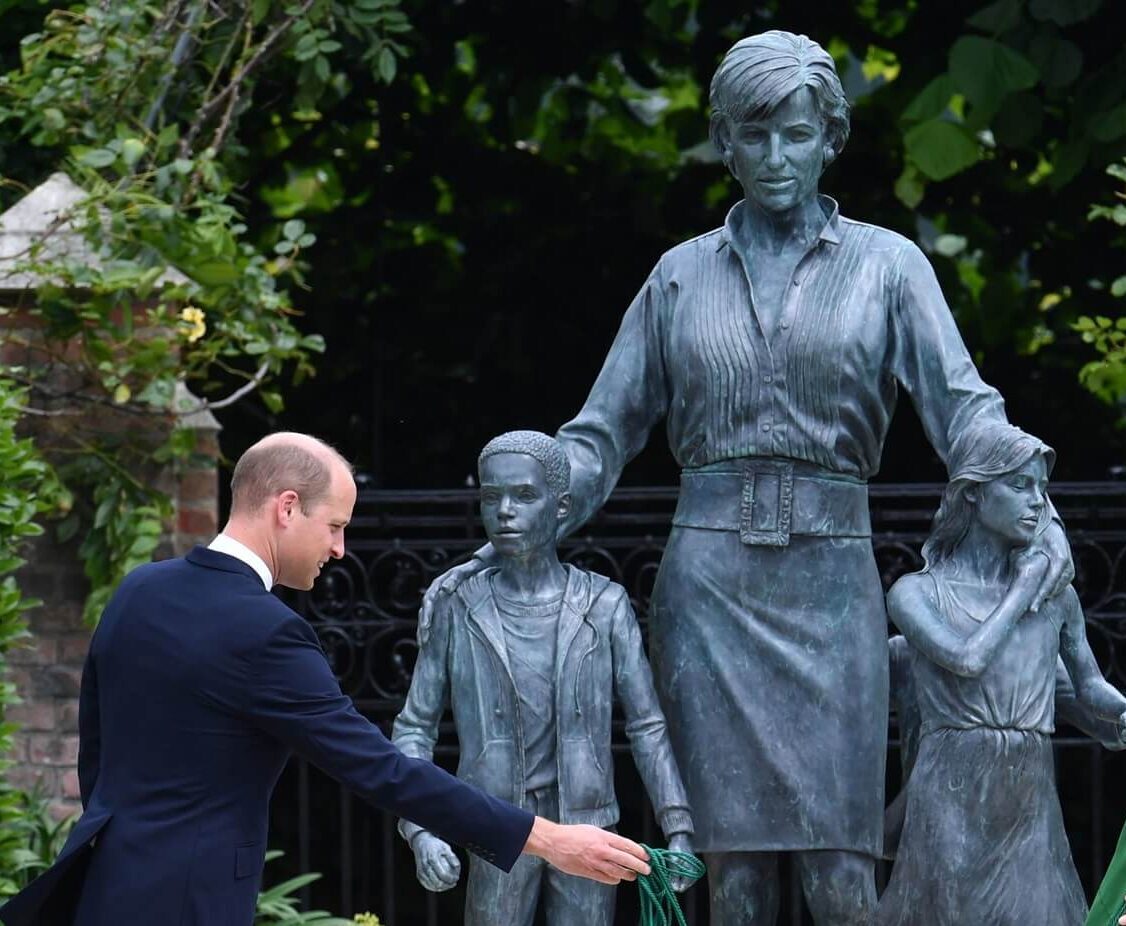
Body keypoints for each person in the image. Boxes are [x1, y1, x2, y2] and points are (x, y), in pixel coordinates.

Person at [421, 31, 1072, 925]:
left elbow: (965, 410)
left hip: (832, 582)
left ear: (830, 138)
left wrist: (1024, 485)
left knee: (843, 872)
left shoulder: (889, 266)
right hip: (711, 593)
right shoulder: (679, 277)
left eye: (797, 135)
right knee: (732, 879)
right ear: (723, 142)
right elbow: (601, 434)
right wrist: (530, 491)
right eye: (753, 136)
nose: (775, 158)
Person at [0, 432, 650, 926]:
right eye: (335, 525)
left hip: (101, 886)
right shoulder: (266, 632)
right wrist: (548, 838)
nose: (339, 549)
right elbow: (381, 769)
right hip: (193, 902)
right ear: (287, 507)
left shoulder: (140, 590)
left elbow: (97, 749)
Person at [392, 431, 696, 926]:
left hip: (588, 821)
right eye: (492, 497)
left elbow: (646, 725)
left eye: (524, 495)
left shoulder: (605, 605)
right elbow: (414, 728)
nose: (505, 511)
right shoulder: (458, 606)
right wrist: (420, 828)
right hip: (493, 824)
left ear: (561, 507)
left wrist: (677, 825)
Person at [874, 423, 1126, 926]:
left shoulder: (1057, 600)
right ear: (972, 494)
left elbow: (1090, 687)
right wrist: (1025, 584)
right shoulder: (917, 593)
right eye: (1019, 485)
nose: (1038, 503)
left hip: (1028, 795)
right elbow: (967, 660)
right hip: (951, 789)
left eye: (1042, 488)